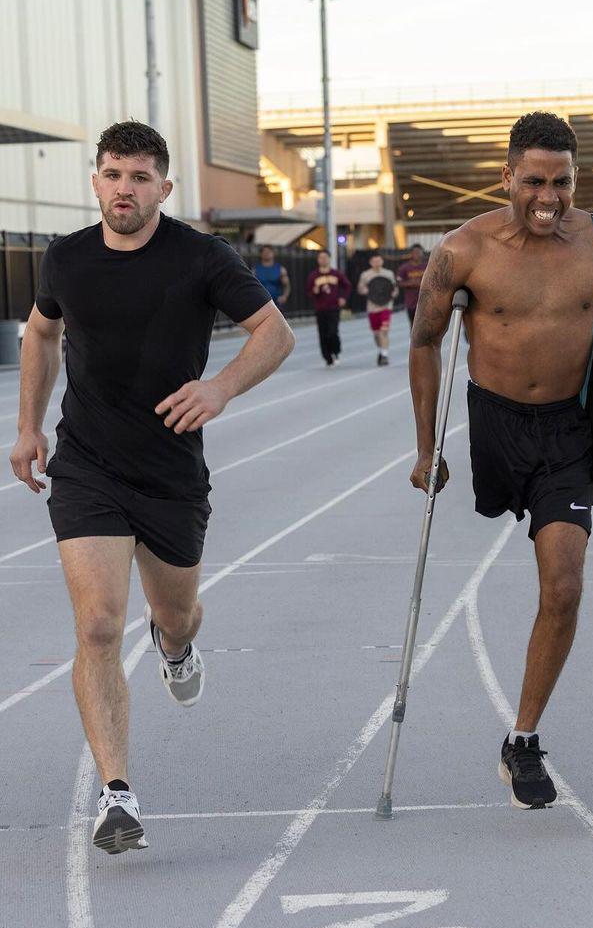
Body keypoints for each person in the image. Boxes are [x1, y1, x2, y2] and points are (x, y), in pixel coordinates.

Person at [7, 120, 294, 855]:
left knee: (180, 612)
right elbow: (40, 333)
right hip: (88, 467)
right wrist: (30, 427)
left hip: (169, 473)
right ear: (95, 181)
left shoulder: (201, 256)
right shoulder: (67, 257)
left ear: (164, 187)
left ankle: (175, 645)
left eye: (139, 177)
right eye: (112, 174)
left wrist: (220, 388)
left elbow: (275, 333)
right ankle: (116, 793)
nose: (124, 188)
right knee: (99, 624)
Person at [409, 111, 593, 809]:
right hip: (495, 423)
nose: (549, 198)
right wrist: (428, 449)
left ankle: (522, 739)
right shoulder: (463, 252)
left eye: (563, 183)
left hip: (569, 431)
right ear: (508, 178)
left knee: (566, 584)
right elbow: (425, 343)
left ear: (579, 180)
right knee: (534, 565)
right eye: (535, 182)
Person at [306, 249, 352, 366]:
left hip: (334, 307)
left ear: (329, 259)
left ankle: (336, 351)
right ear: (318, 260)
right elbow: (308, 291)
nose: (323, 260)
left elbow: (347, 286)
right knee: (323, 333)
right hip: (320, 308)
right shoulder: (314, 275)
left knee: (333, 332)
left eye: (325, 257)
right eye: (321, 258)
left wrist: (343, 298)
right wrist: (314, 291)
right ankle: (327, 357)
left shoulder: (336, 274)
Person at [358, 254, 399, 366]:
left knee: (384, 331)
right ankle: (381, 350)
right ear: (370, 262)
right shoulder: (366, 275)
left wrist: (394, 293)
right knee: (376, 334)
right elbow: (360, 288)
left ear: (382, 261)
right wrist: (364, 290)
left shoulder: (388, 273)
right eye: (374, 261)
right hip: (372, 307)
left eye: (378, 260)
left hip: (386, 306)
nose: (376, 262)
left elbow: (394, 288)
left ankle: (385, 355)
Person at [396, 244, 428, 325]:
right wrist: (410, 283)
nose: (417, 254)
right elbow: (398, 282)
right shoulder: (405, 267)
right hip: (411, 302)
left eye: (419, 252)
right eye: (415, 252)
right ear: (411, 254)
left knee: (426, 325)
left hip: (426, 301)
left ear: (422, 253)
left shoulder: (427, 266)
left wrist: (423, 283)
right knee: (413, 325)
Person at [253, 245, 291, 310]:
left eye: (268, 251)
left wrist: (284, 296)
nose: (266, 253)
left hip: (276, 304)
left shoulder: (280, 269)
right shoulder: (255, 270)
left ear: (273, 253)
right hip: (260, 304)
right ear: (261, 254)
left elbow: (287, 285)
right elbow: (251, 286)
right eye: (264, 252)